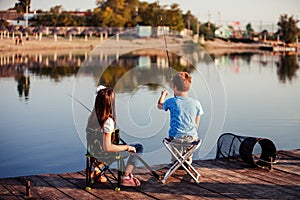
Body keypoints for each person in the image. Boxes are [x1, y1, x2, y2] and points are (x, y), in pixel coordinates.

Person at [86, 87, 142, 187]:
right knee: (138, 147)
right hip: (106, 154)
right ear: (110, 103)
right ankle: (125, 177)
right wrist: (127, 147)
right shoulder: (108, 121)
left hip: (94, 153)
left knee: (123, 146)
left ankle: (96, 168)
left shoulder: (92, 118)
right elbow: (108, 147)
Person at [157, 72, 204, 165]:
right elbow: (196, 124)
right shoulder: (196, 103)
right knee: (186, 156)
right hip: (191, 140)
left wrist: (163, 95)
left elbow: (159, 105)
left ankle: (176, 162)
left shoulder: (171, 101)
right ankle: (187, 162)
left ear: (174, 87)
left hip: (175, 139)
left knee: (176, 159)